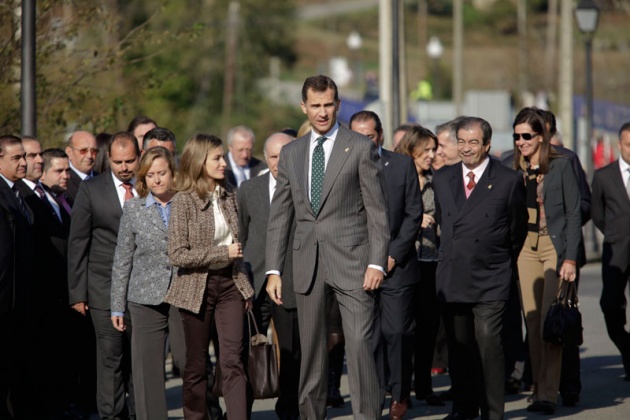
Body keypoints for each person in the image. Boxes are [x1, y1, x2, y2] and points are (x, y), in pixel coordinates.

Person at [265, 75, 390, 419]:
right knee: (313, 353)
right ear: (303, 107)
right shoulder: (291, 153)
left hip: (355, 262)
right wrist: (274, 269)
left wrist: (377, 263)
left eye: (329, 104)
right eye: (315, 106)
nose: (322, 112)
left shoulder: (361, 147)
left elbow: (378, 211)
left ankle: (367, 415)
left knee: (362, 347)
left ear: (337, 104)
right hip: (307, 263)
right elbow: (281, 215)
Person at [433, 116, 528, 420]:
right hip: (453, 276)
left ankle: (492, 412)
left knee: (488, 343)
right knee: (460, 348)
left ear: (487, 144)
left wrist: (498, 258)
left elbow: (517, 230)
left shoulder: (508, 179)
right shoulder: (443, 178)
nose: (466, 148)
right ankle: (464, 407)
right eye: (461, 141)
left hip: (491, 275)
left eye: (473, 142)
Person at [164, 133, 254, 419]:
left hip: (230, 285)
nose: (223, 163)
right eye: (216, 158)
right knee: (197, 364)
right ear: (200, 161)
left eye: (222, 157)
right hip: (196, 288)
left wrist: (246, 289)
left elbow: (239, 251)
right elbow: (178, 254)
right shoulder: (183, 201)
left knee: (233, 361)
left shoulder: (230, 195)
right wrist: (221, 253)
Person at [350, 110, 423, 419]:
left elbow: (413, 214)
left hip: (396, 266)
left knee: (396, 332)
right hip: (358, 263)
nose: (363, 142)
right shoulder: (344, 166)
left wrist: (392, 255)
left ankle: (400, 392)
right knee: (369, 336)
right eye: (356, 137)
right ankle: (377, 395)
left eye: (368, 136)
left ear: (379, 135)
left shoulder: (402, 165)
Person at [512, 107, 581, 414]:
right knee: (531, 321)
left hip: (554, 246)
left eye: (526, 136)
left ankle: (548, 394)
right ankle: (537, 387)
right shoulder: (515, 166)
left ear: (541, 136)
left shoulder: (562, 165)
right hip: (525, 248)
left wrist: (571, 259)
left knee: (549, 323)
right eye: (516, 136)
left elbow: (573, 214)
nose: (520, 141)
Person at [67, 131, 140, 419]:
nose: (124, 167)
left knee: (139, 360)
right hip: (103, 288)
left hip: (143, 289)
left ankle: (139, 413)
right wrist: (77, 293)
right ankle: (111, 415)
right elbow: (78, 242)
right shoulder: (91, 189)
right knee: (111, 358)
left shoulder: (150, 187)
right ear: (108, 158)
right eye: (118, 161)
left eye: (130, 161)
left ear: (140, 157)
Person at [109, 146, 182, 420]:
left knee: (190, 362)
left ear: (172, 173)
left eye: (162, 173)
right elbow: (122, 259)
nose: (157, 180)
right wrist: (117, 306)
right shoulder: (134, 209)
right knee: (147, 369)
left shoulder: (187, 203)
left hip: (183, 293)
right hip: (143, 298)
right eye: (150, 175)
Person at [238, 132, 301, 419]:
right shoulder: (249, 189)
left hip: (290, 282)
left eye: (285, 155)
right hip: (254, 282)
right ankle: (243, 410)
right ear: (266, 157)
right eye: (274, 156)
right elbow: (241, 236)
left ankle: (288, 409)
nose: (280, 162)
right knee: (247, 352)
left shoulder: (306, 190)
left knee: (290, 353)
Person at [14, 138, 74, 417]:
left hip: (59, 292)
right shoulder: (21, 196)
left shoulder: (47, 194)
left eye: (39, 154)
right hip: (37, 293)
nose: (36, 160)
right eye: (30, 155)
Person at [393, 125, 445, 407]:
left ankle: (424, 387)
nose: (432, 155)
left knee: (428, 328)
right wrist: (415, 222)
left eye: (434, 150)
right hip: (404, 262)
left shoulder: (437, 181)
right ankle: (400, 389)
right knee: (403, 329)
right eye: (426, 150)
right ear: (411, 150)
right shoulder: (396, 179)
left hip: (432, 262)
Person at [591, 121, 630, 382]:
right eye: (629, 144)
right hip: (616, 250)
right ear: (619, 145)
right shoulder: (604, 176)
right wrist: (615, 235)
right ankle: (627, 349)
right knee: (610, 304)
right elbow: (597, 214)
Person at [0, 135, 35, 418]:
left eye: (25, 156)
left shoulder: (19, 192)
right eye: (16, 158)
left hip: (20, 300)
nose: (24, 162)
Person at [65, 130, 98, 201]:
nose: (89, 156)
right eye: (83, 150)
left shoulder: (103, 180)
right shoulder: (64, 182)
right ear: (69, 152)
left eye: (93, 151)